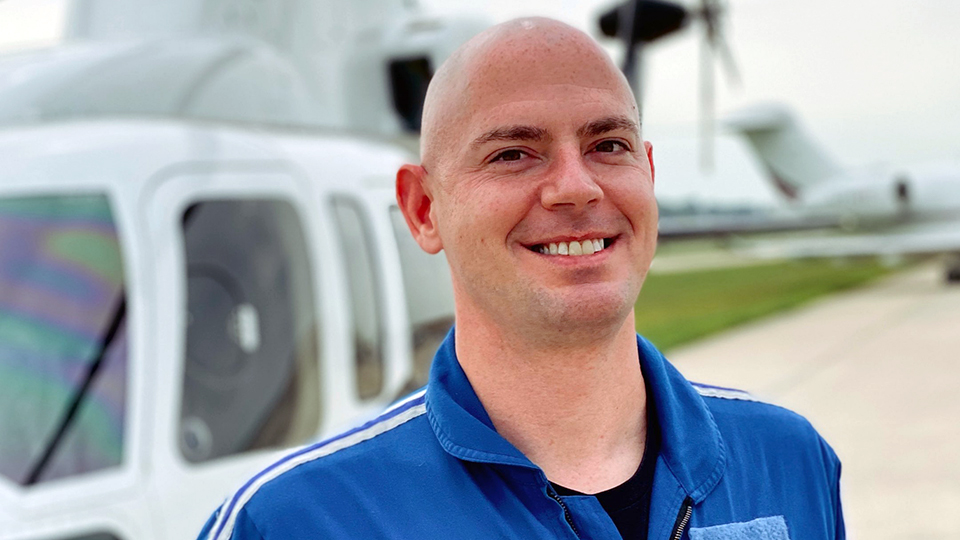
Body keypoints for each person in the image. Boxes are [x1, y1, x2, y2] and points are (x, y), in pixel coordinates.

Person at [197, 17, 844, 540]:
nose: (575, 186)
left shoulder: (789, 459)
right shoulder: (294, 520)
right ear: (424, 210)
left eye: (608, 146)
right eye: (513, 153)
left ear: (648, 173)